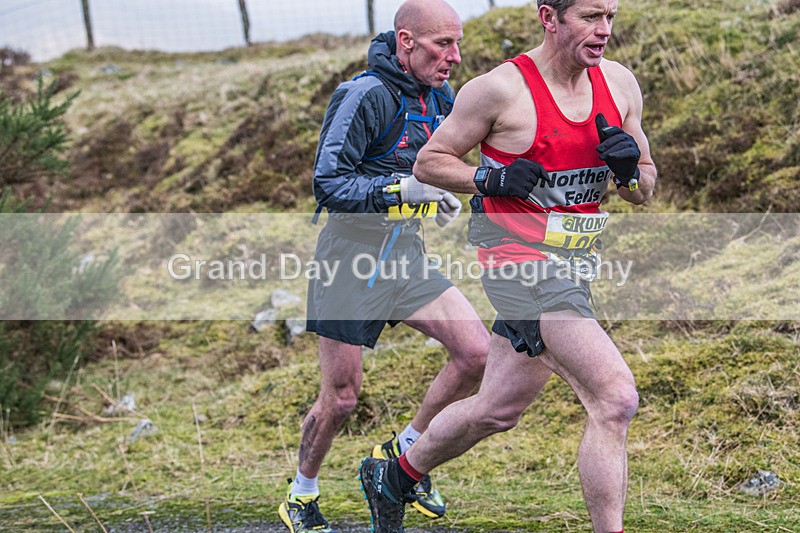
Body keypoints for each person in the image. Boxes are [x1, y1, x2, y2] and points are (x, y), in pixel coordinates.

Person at [358, 0, 657, 532]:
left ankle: (395, 477)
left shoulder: (620, 84)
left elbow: (644, 189)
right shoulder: (500, 90)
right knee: (614, 398)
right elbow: (430, 161)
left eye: (610, 16)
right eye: (590, 17)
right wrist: (489, 179)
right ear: (549, 17)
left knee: (496, 409)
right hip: (517, 265)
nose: (604, 30)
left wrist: (629, 170)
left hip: (575, 266)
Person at [278, 1, 490, 532]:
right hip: (348, 261)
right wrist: (402, 190)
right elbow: (328, 184)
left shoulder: (441, 97)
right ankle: (301, 494)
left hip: (405, 258)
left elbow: (445, 165)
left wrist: (441, 192)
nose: (454, 57)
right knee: (341, 398)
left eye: (458, 44)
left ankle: (400, 458)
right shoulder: (363, 94)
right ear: (406, 41)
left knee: (476, 354)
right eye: (443, 44)